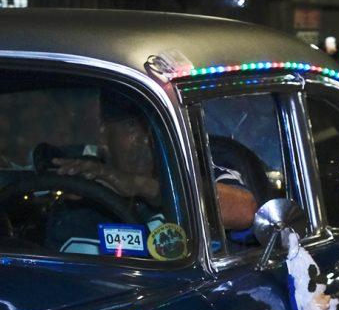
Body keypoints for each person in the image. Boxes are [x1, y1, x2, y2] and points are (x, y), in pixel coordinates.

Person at [53, 94, 257, 234]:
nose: (146, 139)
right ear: (103, 134)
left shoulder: (197, 163)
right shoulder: (81, 174)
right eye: (131, 126)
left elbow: (244, 210)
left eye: (154, 127)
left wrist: (145, 187)